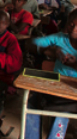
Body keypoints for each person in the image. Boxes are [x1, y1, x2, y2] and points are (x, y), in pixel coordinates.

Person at [25, 9, 77, 139]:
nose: (74, 28)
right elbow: (30, 43)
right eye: (71, 24)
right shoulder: (60, 38)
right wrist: (52, 50)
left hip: (73, 94)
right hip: (56, 88)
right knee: (31, 103)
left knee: (61, 112)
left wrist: (74, 64)